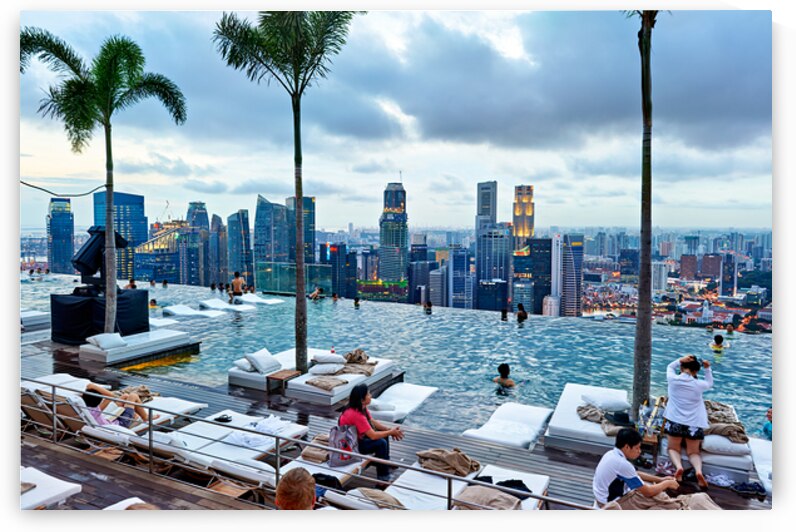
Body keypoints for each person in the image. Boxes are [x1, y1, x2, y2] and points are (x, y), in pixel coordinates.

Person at [593, 428, 680, 508]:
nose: (639, 451)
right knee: (660, 501)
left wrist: (661, 479)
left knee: (653, 490)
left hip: (602, 497)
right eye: (637, 448)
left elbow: (634, 474)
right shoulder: (622, 464)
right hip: (610, 504)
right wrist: (667, 483)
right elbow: (648, 492)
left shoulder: (611, 454)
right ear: (627, 447)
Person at [663, 355, 713, 489]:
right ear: (696, 371)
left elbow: (669, 366)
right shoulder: (699, 384)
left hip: (675, 421)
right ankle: (698, 471)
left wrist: (680, 359)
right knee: (694, 452)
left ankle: (679, 468)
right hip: (694, 424)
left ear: (681, 367)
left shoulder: (673, 379)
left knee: (673, 448)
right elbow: (709, 383)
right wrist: (707, 369)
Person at [339, 383, 404, 482]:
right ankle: (383, 478)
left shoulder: (361, 407)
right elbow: (373, 436)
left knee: (383, 433)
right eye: (368, 394)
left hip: (356, 438)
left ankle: (384, 461)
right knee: (381, 443)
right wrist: (391, 432)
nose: (371, 396)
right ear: (362, 399)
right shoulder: (356, 415)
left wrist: (388, 429)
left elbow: (372, 421)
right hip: (351, 445)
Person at [81, 382, 158, 428]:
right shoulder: (96, 410)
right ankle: (145, 417)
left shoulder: (82, 407)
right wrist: (92, 386)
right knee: (133, 395)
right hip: (121, 424)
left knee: (125, 397)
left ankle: (134, 414)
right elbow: (110, 395)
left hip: (107, 420)